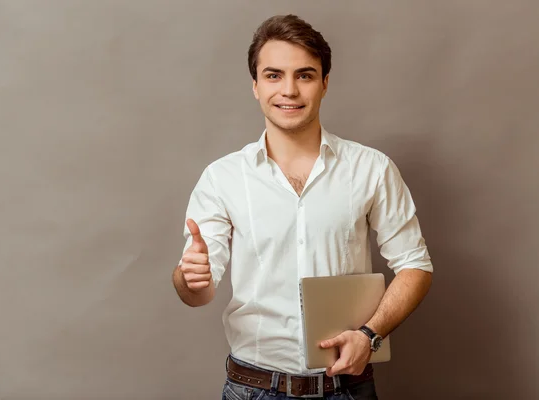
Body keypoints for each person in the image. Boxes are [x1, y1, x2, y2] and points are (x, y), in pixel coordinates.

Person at [173, 14, 433, 400]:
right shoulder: (222, 178)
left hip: (347, 387)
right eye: (274, 75)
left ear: (325, 84)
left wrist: (370, 335)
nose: (289, 90)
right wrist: (188, 278)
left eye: (305, 75)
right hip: (252, 388)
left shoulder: (371, 168)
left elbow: (415, 266)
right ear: (256, 86)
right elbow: (198, 293)